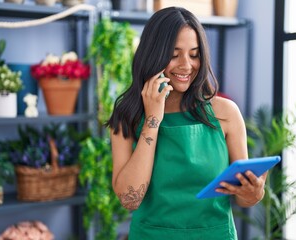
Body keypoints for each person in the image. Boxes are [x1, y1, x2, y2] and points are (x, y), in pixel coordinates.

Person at [106, 7, 266, 240]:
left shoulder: (226, 113)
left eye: (194, 54)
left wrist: (254, 192)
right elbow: (130, 199)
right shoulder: (127, 115)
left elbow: (243, 198)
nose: (186, 65)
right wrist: (152, 119)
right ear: (153, 55)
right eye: (174, 54)